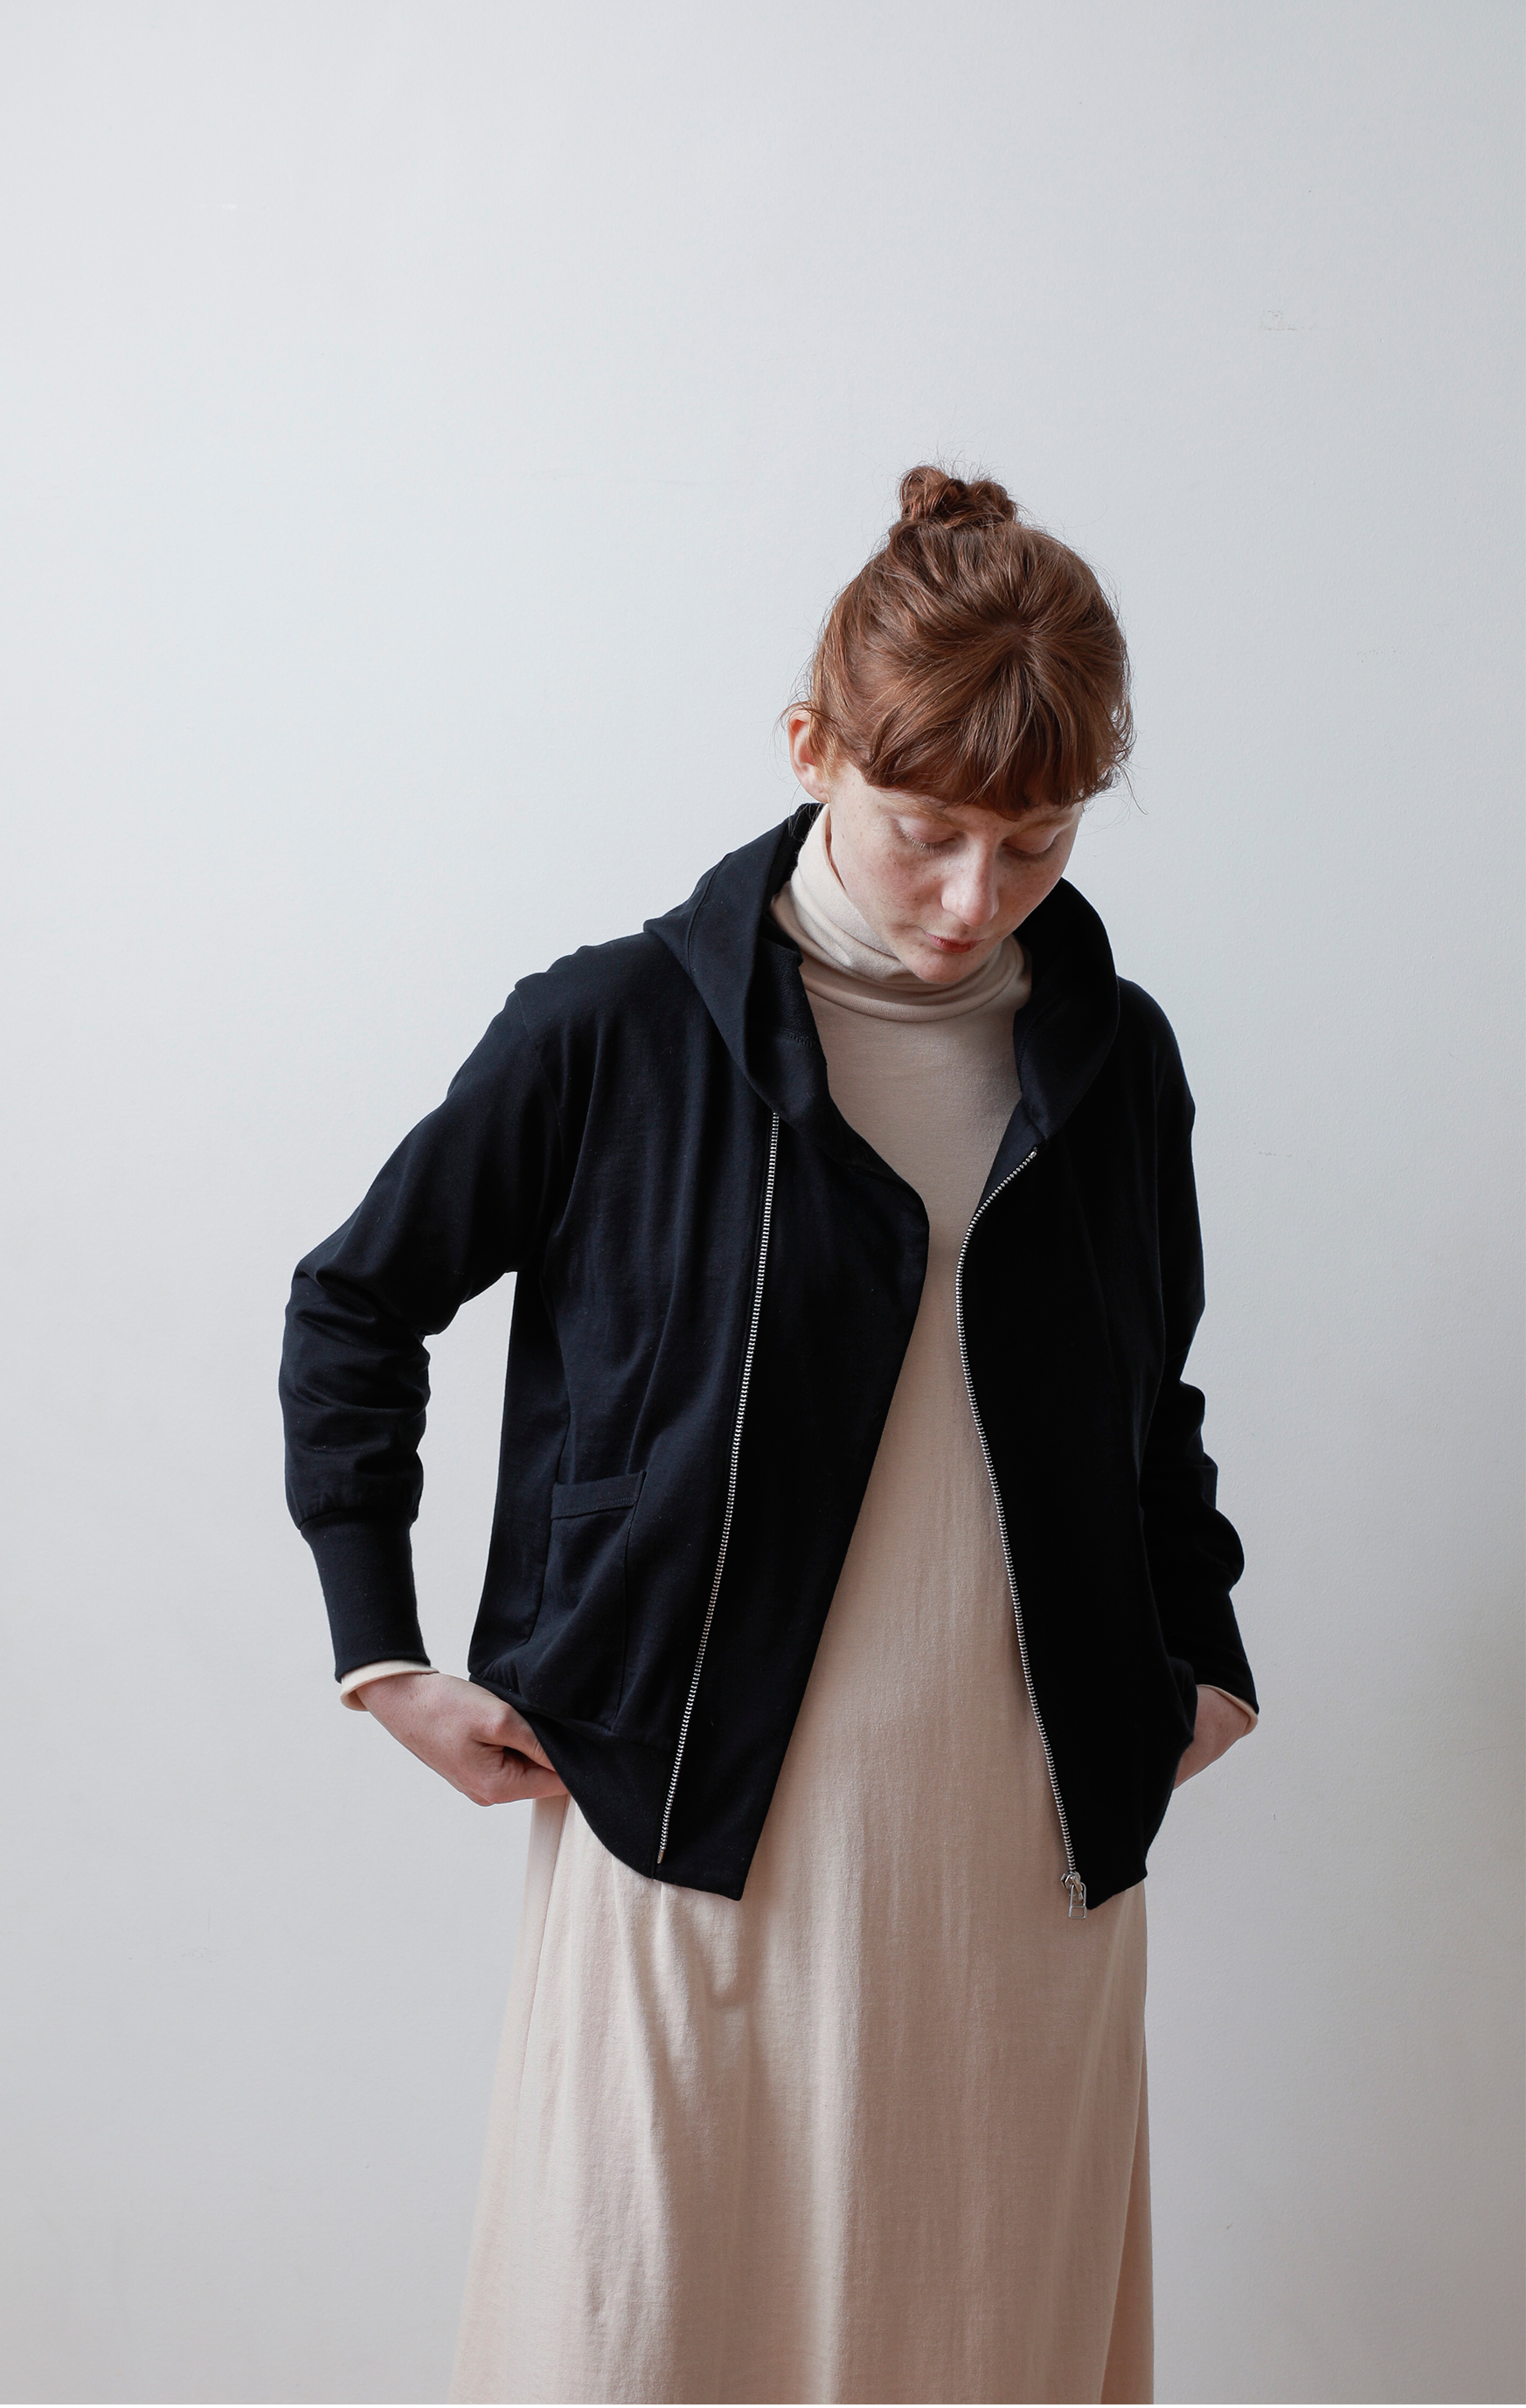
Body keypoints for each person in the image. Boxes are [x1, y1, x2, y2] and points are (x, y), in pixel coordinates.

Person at [280, 465, 1258, 2405]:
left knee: (974, 2333)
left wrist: (1203, 1652)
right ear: (811, 750)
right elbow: (354, 1305)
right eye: (927, 833)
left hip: (1018, 1833)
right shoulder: (611, 1031)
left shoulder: (1113, 1059)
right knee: (644, 2329)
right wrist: (380, 1651)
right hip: (688, 1816)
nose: (975, 898)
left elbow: (1149, 1395)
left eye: (1035, 843)